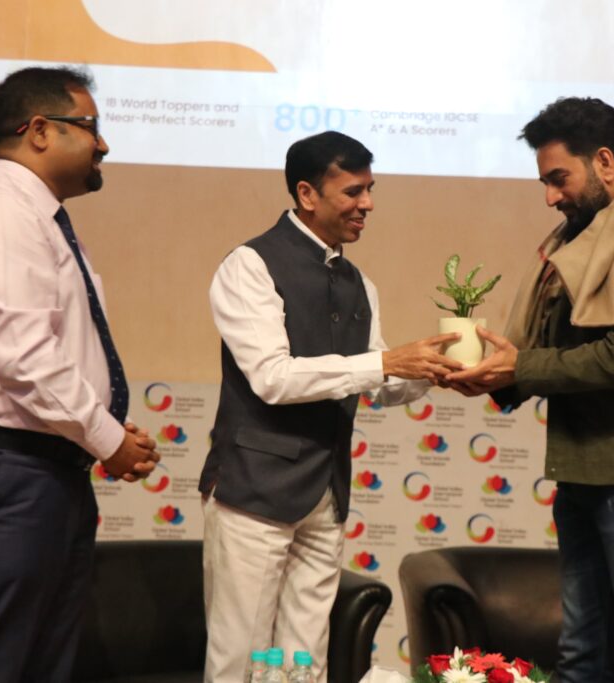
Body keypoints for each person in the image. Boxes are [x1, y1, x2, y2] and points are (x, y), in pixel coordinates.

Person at [447, 97, 614, 683]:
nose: (550, 196)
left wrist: (521, 370)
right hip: (583, 470)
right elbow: (552, 352)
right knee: (580, 657)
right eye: (544, 182)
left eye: (558, 178)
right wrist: (490, 376)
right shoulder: (582, 244)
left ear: (605, 163)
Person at [0, 66, 160, 683]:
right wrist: (108, 441)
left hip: (40, 474)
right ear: (40, 130)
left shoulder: (35, 215)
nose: (103, 144)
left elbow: (53, 351)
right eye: (91, 127)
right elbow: (24, 360)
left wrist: (101, 432)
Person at [199, 131, 462, 683]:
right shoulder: (250, 264)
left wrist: (439, 370)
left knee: (304, 661)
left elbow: (377, 382)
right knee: (243, 661)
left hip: (325, 491)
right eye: (353, 191)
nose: (367, 204)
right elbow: (273, 379)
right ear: (306, 193)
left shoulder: (358, 282)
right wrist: (389, 363)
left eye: (370, 189)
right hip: (255, 489)